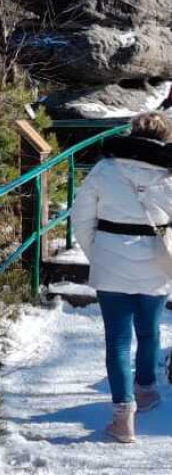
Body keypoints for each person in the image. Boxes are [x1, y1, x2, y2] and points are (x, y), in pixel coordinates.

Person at [70, 112, 172, 443]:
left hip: (112, 262)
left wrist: (97, 253)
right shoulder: (170, 175)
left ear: (132, 133)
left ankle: (123, 418)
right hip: (157, 262)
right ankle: (146, 390)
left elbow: (81, 219)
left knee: (117, 339)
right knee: (149, 330)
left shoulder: (105, 169)